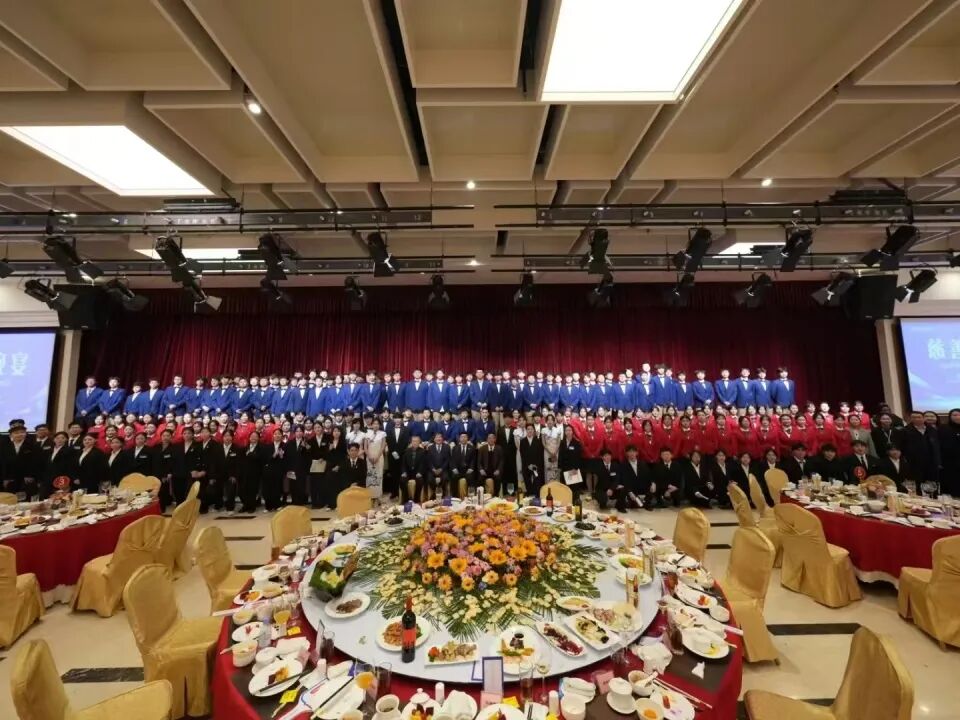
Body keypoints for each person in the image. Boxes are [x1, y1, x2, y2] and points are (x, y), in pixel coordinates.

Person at [900, 411, 939, 487]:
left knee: (932, 483)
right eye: (914, 417)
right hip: (913, 462)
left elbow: (936, 446)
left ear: (923, 418)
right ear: (911, 419)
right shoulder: (905, 430)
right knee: (917, 483)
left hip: (931, 461)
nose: (916, 419)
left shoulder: (932, 430)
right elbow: (902, 446)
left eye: (919, 417)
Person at [1, 423, 40, 498]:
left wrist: (30, 475)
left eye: (22, 432)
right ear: (11, 435)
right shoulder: (5, 446)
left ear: (25, 434)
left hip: (26, 479)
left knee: (25, 500)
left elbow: (36, 463)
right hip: (10, 479)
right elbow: (3, 463)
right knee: (10, 499)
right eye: (16, 433)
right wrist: (5, 478)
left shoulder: (33, 446)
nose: (20, 434)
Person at [40, 431, 76, 498]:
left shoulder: (69, 450)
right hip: (47, 478)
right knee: (44, 498)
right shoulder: (49, 450)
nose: (60, 440)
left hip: (61, 478)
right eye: (57, 438)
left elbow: (71, 466)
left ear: (66, 439)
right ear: (54, 439)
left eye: (62, 438)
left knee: (59, 499)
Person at [321, 426, 347, 509]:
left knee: (339, 485)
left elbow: (345, 456)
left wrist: (339, 466)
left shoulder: (344, 442)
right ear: (332, 433)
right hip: (330, 466)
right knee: (330, 485)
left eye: (338, 431)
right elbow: (325, 456)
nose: (336, 433)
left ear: (341, 433)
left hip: (340, 466)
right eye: (335, 431)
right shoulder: (329, 442)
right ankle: (331, 504)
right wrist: (329, 449)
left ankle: (340, 504)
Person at [239, 429, 265, 513]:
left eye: (255, 436)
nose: (253, 438)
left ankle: (251, 506)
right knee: (243, 490)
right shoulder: (245, 447)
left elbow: (260, 458)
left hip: (255, 472)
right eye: (251, 436)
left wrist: (250, 454)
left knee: (252, 490)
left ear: (258, 438)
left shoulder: (261, 448)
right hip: (244, 472)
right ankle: (245, 505)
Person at [262, 429, 286, 511]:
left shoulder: (285, 445)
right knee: (268, 488)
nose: (277, 435)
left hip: (279, 470)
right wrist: (273, 456)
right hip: (269, 470)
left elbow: (288, 458)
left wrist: (282, 456)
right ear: (273, 435)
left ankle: (277, 505)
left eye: (279, 434)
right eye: (275, 434)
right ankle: (268, 506)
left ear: (282, 436)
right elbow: (265, 458)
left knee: (277, 488)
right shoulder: (268, 446)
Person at [401, 434, 428, 503]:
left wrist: (420, 472)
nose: (415, 443)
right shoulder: (406, 451)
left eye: (416, 441)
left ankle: (416, 499)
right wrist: (404, 472)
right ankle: (406, 499)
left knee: (420, 480)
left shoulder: (423, 452)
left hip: (418, 472)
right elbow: (403, 464)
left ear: (419, 442)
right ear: (411, 442)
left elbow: (424, 464)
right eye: (413, 441)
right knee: (402, 480)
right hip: (408, 472)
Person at [364, 417, 387, 501]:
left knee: (378, 476)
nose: (376, 425)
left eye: (377, 424)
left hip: (379, 457)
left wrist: (377, 457)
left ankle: (377, 496)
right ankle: (370, 496)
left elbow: (383, 447)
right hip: (369, 457)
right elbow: (365, 447)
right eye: (374, 423)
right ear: (371, 424)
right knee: (370, 476)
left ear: (380, 425)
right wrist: (369, 456)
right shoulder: (367, 433)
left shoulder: (383, 434)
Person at [519, 423, 545, 497]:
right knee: (528, 485)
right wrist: (528, 465)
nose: (530, 430)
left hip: (536, 466)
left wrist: (534, 465)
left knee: (537, 485)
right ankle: (529, 498)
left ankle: (536, 498)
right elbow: (522, 455)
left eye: (531, 429)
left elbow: (540, 455)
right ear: (526, 430)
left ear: (534, 430)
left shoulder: (538, 441)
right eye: (528, 429)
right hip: (526, 466)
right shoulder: (522, 441)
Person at [938, 409, 960, 495]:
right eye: (954, 415)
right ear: (950, 417)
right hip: (948, 461)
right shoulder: (943, 428)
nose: (957, 417)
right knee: (951, 482)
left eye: (959, 415)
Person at [450, 431, 476, 496]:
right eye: (462, 437)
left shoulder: (472, 448)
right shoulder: (455, 448)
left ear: (467, 438)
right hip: (458, 470)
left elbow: (473, 460)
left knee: (471, 477)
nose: (463, 438)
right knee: (453, 477)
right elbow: (452, 460)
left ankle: (471, 496)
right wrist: (454, 468)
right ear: (459, 438)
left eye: (465, 437)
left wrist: (471, 468)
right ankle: (455, 496)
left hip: (468, 470)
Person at [426, 432, 451, 498]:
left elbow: (447, 460)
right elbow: (429, 461)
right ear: (434, 439)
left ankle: (441, 492)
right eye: (437, 437)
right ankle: (435, 492)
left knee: (445, 478)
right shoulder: (430, 448)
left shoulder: (447, 447)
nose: (438, 439)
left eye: (440, 437)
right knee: (429, 479)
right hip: (433, 470)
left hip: (443, 469)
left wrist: (441, 469)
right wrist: (433, 469)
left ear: (442, 439)